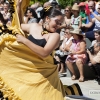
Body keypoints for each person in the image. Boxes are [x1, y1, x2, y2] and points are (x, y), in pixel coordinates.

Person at [0, 0, 66, 100]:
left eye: (60, 23)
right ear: (47, 18)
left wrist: (25, 41)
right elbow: (18, 27)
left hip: (44, 76)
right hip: (27, 69)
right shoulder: (34, 26)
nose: (58, 25)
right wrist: (18, 7)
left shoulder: (55, 36)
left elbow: (44, 53)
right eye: (57, 22)